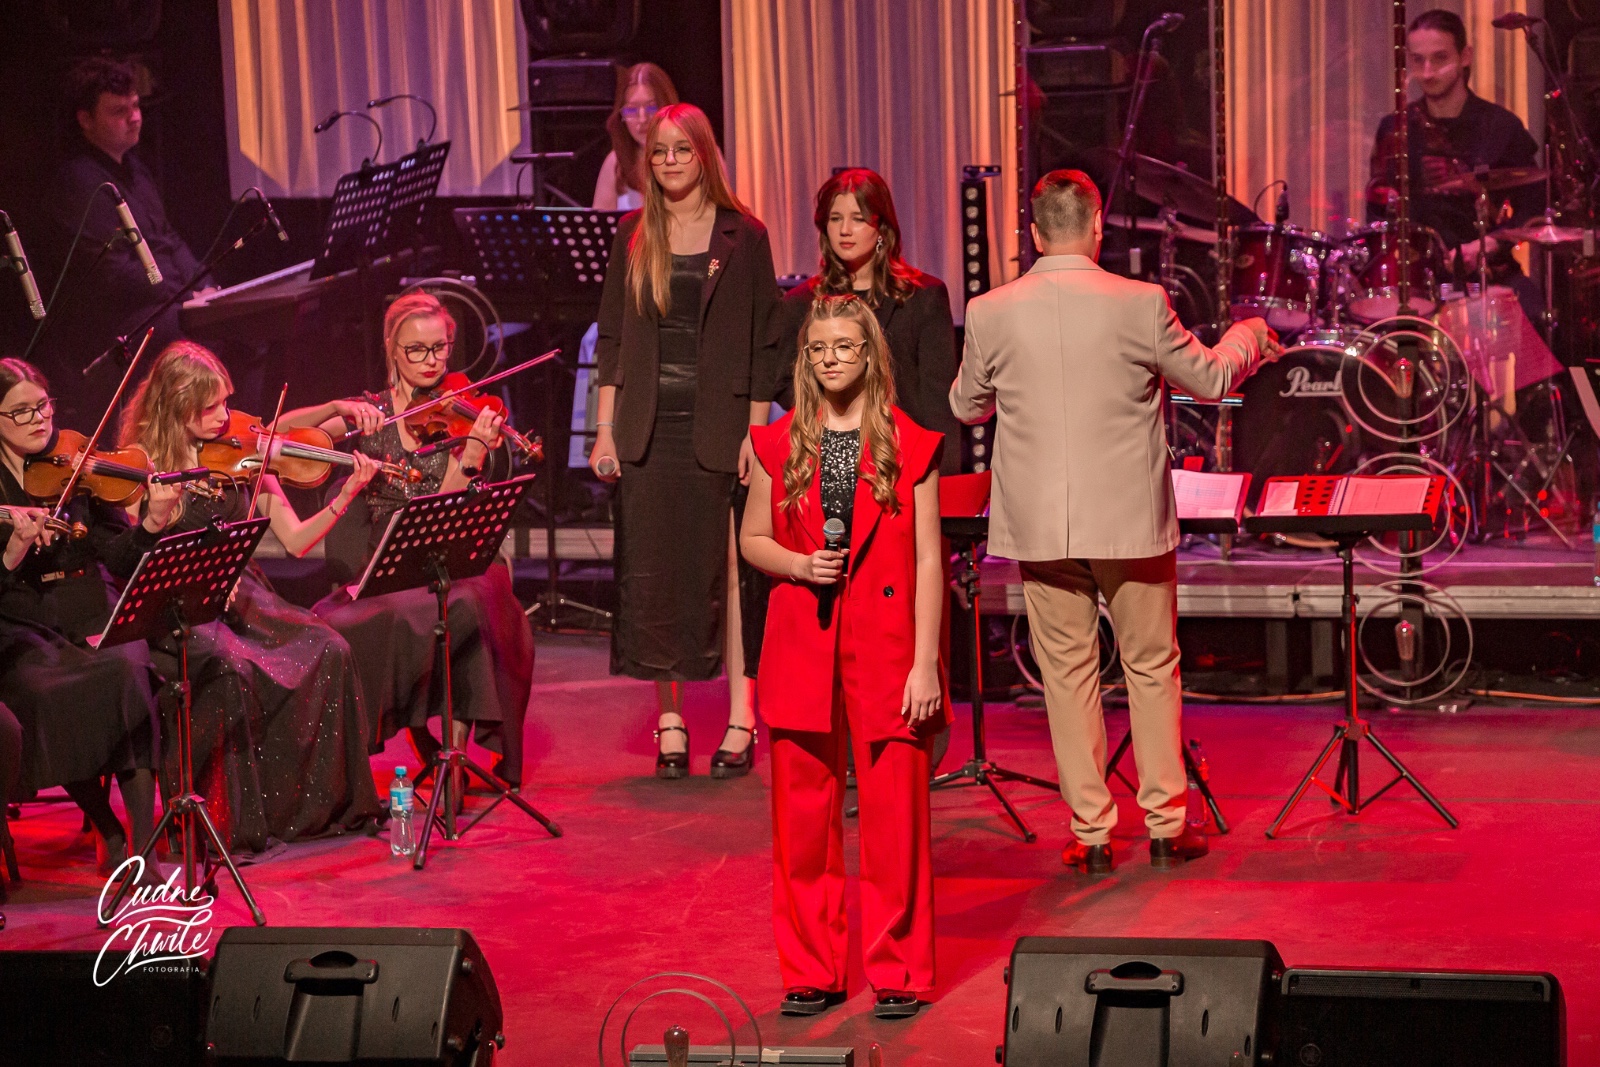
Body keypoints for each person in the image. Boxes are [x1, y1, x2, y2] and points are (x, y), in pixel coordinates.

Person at [950, 171, 1277, 874]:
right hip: (1129, 522)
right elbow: (1212, 380)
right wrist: (1247, 335)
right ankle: (1165, 824)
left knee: (1067, 675)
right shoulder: (1141, 302)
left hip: (1042, 525)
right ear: (1097, 225)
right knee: (1151, 666)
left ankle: (1091, 833)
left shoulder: (990, 310)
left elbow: (967, 406)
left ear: (1033, 233)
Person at [742, 294, 946, 1019]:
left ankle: (900, 972)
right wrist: (800, 566)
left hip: (887, 646)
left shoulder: (910, 443)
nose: (831, 359)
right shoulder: (778, 443)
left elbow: (928, 560)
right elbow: (752, 540)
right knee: (802, 823)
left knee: (895, 823)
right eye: (819, 348)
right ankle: (812, 971)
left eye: (844, 347)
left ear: (869, 355)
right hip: (803, 640)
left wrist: (926, 662)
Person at [119, 342, 384, 854]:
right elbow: (132, 556)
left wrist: (348, 493)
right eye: (209, 408)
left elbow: (297, 540)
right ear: (176, 408)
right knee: (232, 668)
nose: (225, 416)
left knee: (331, 647)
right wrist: (194, 568)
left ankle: (309, 809)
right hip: (181, 604)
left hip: (244, 595)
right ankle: (233, 821)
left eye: (225, 401)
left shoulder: (242, 456)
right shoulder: (141, 467)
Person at [588, 103, 780, 779]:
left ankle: (741, 717)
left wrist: (756, 431)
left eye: (682, 150)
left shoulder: (744, 234)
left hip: (719, 427)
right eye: (660, 151)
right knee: (656, 575)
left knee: (728, 572)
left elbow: (764, 341)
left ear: (704, 154)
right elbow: (612, 338)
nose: (670, 161)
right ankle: (670, 721)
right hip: (647, 427)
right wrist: (605, 429)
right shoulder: (634, 234)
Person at [280, 292, 536, 787]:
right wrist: (334, 406)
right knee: (438, 607)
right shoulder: (369, 412)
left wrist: (471, 456)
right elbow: (277, 437)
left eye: (440, 348)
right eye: (417, 350)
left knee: (474, 599)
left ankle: (452, 762)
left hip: (451, 550)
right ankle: (427, 743)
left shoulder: (463, 410)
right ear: (392, 349)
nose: (431, 362)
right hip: (389, 560)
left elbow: (442, 511)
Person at [0, 357, 164, 878]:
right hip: (20, 622)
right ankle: (106, 827)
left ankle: (143, 848)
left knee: (128, 671)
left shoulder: (78, 464)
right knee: (45, 694)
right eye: (20, 412)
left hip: (89, 604)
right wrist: (12, 553)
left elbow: (118, 555)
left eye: (42, 406)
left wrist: (151, 527)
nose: (38, 420)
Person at [39, 57, 204, 430]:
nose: (135, 118)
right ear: (85, 120)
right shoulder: (80, 182)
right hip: (115, 322)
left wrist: (203, 284)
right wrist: (182, 294)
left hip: (161, 299)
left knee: (238, 324)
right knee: (190, 331)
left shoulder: (136, 171)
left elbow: (167, 238)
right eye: (119, 111)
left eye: (135, 106)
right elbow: (112, 272)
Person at [774, 169, 960, 473]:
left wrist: (943, 475)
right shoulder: (802, 302)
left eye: (858, 219)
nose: (845, 230)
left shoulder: (923, 297)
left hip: (903, 456)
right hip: (828, 455)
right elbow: (784, 382)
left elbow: (938, 401)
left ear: (881, 228)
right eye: (835, 219)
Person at [1366, 9, 1542, 306]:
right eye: (1418, 60)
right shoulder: (1394, 129)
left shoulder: (1501, 127)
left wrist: (1489, 244)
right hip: (1416, 280)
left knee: (1534, 312)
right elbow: (1377, 212)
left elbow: (1533, 208)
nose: (1428, 72)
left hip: (1489, 275)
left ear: (1465, 56)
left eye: (1440, 58)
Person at [592, 63, 681, 212]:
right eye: (632, 110)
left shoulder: (698, 155)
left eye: (652, 107)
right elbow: (600, 222)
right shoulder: (615, 162)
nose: (642, 119)